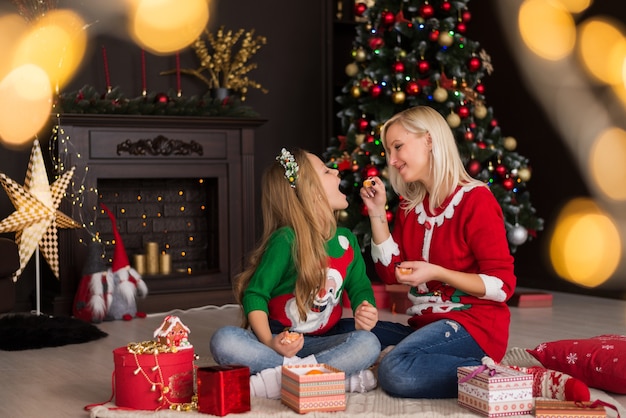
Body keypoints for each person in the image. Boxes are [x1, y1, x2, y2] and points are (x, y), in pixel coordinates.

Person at [359, 106, 516, 399]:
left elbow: (502, 286)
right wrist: (377, 212)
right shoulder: (410, 206)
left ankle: (494, 375)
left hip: (473, 326)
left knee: (397, 371)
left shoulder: (476, 200)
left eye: (398, 147)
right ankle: (413, 358)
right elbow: (389, 272)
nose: (392, 160)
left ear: (429, 140)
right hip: (425, 328)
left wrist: (438, 273)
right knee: (351, 330)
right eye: (388, 152)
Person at [210, 147, 381, 399]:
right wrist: (270, 342)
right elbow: (255, 294)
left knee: (368, 344)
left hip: (325, 341)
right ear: (311, 193)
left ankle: (279, 380)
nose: (335, 171)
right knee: (224, 339)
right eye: (325, 170)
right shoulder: (286, 240)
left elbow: (360, 288)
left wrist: (365, 308)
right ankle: (332, 380)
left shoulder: (347, 242)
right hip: (279, 342)